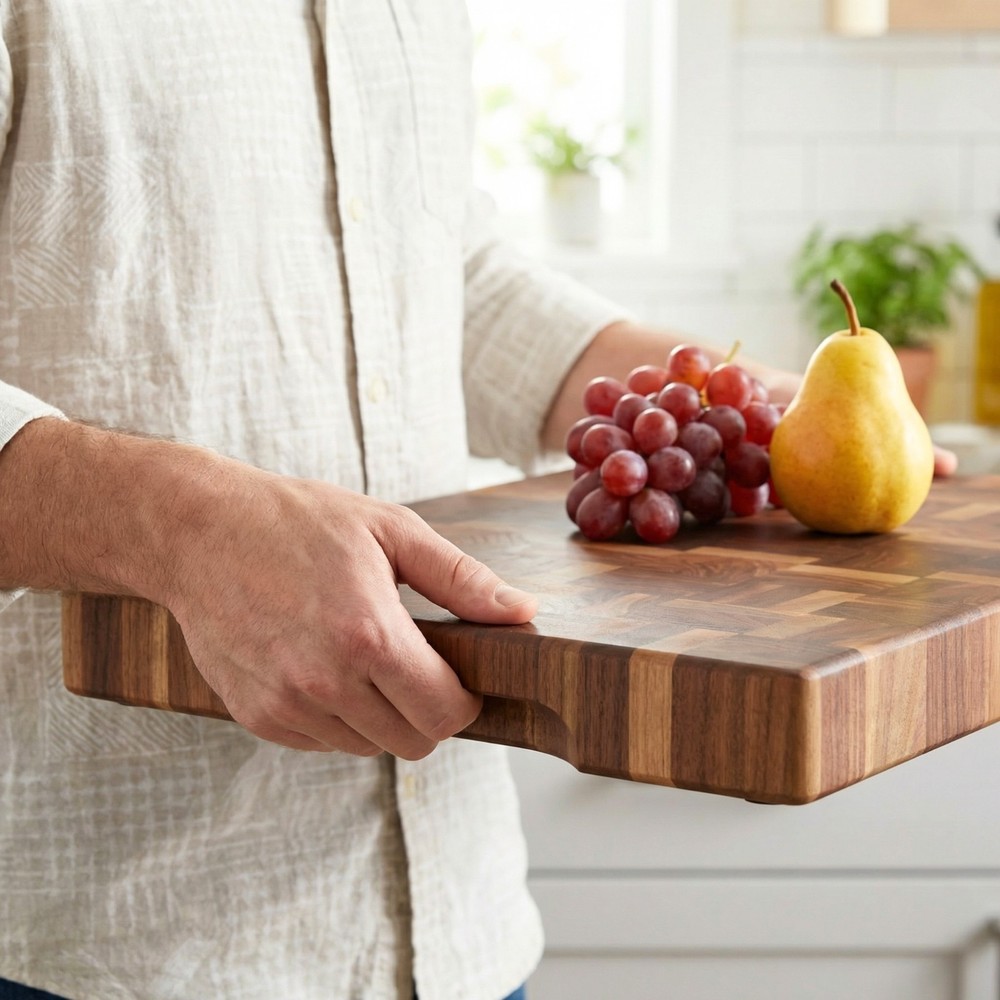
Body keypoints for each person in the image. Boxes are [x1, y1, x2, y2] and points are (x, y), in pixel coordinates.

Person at [0, 4, 954, 1000]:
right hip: (103, 951)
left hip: (463, 937)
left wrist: (738, 403)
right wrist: (184, 526)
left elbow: (447, 272)